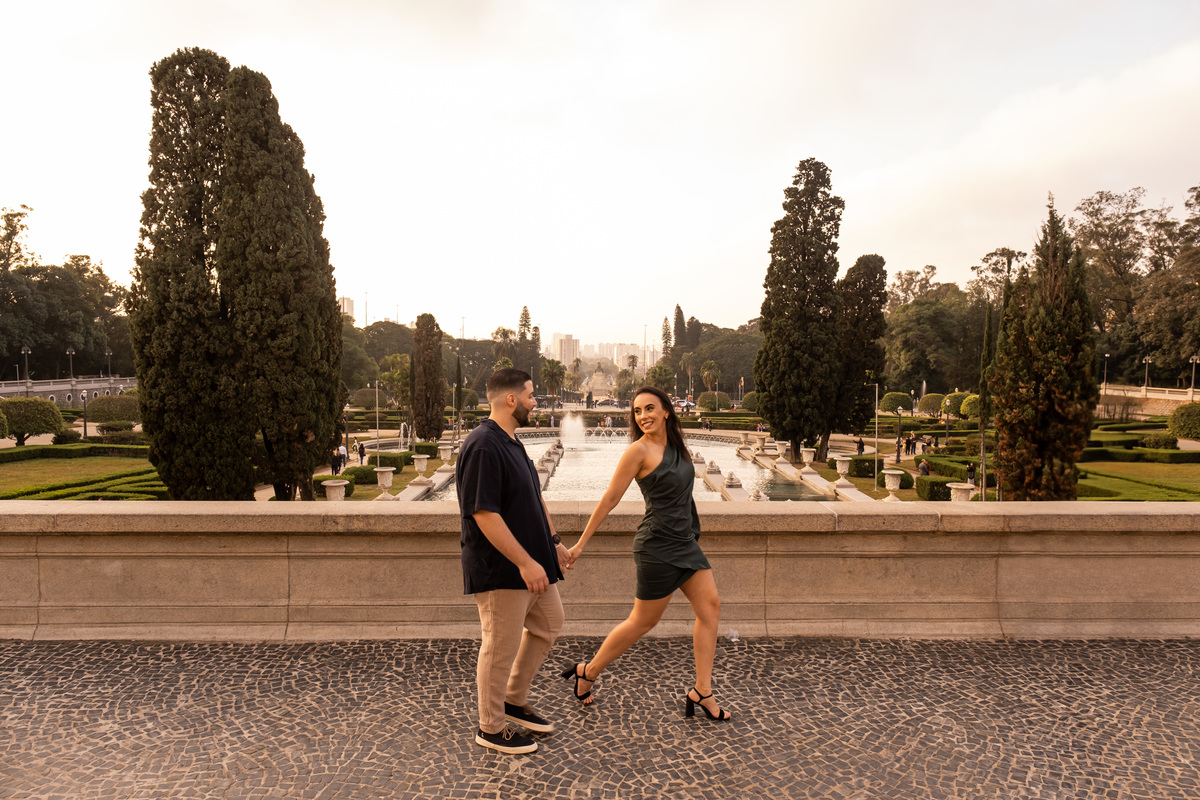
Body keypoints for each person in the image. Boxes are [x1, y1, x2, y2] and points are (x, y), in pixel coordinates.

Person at [562, 385, 733, 722]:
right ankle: (589, 670)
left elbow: (683, 495)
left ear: (667, 411)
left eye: (650, 408)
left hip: (685, 542)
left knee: (710, 606)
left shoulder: (678, 446)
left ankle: (702, 690)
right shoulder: (636, 452)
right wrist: (581, 543)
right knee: (643, 621)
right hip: (656, 546)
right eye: (637, 411)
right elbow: (610, 498)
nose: (643, 416)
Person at [456, 368, 574, 755]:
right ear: (511, 400)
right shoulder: (484, 445)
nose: (535, 402)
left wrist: (553, 542)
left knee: (550, 622)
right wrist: (525, 562)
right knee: (499, 645)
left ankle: (512, 698)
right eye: (531, 396)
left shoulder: (510, 442)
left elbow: (535, 499)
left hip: (533, 562)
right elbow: (484, 514)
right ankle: (490, 726)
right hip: (502, 569)